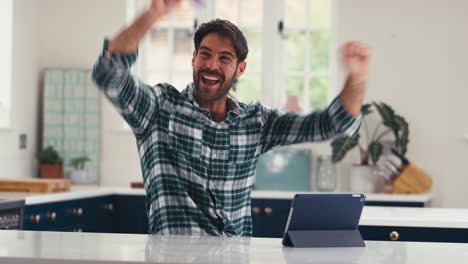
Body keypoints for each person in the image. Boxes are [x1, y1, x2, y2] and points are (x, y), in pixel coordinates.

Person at [92, 0, 372, 236]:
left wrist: (357, 76)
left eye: (225, 58)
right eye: (206, 54)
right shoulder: (159, 110)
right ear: (193, 59)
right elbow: (109, 73)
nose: (212, 65)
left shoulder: (257, 122)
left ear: (240, 69)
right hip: (173, 257)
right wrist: (153, 13)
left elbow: (334, 124)